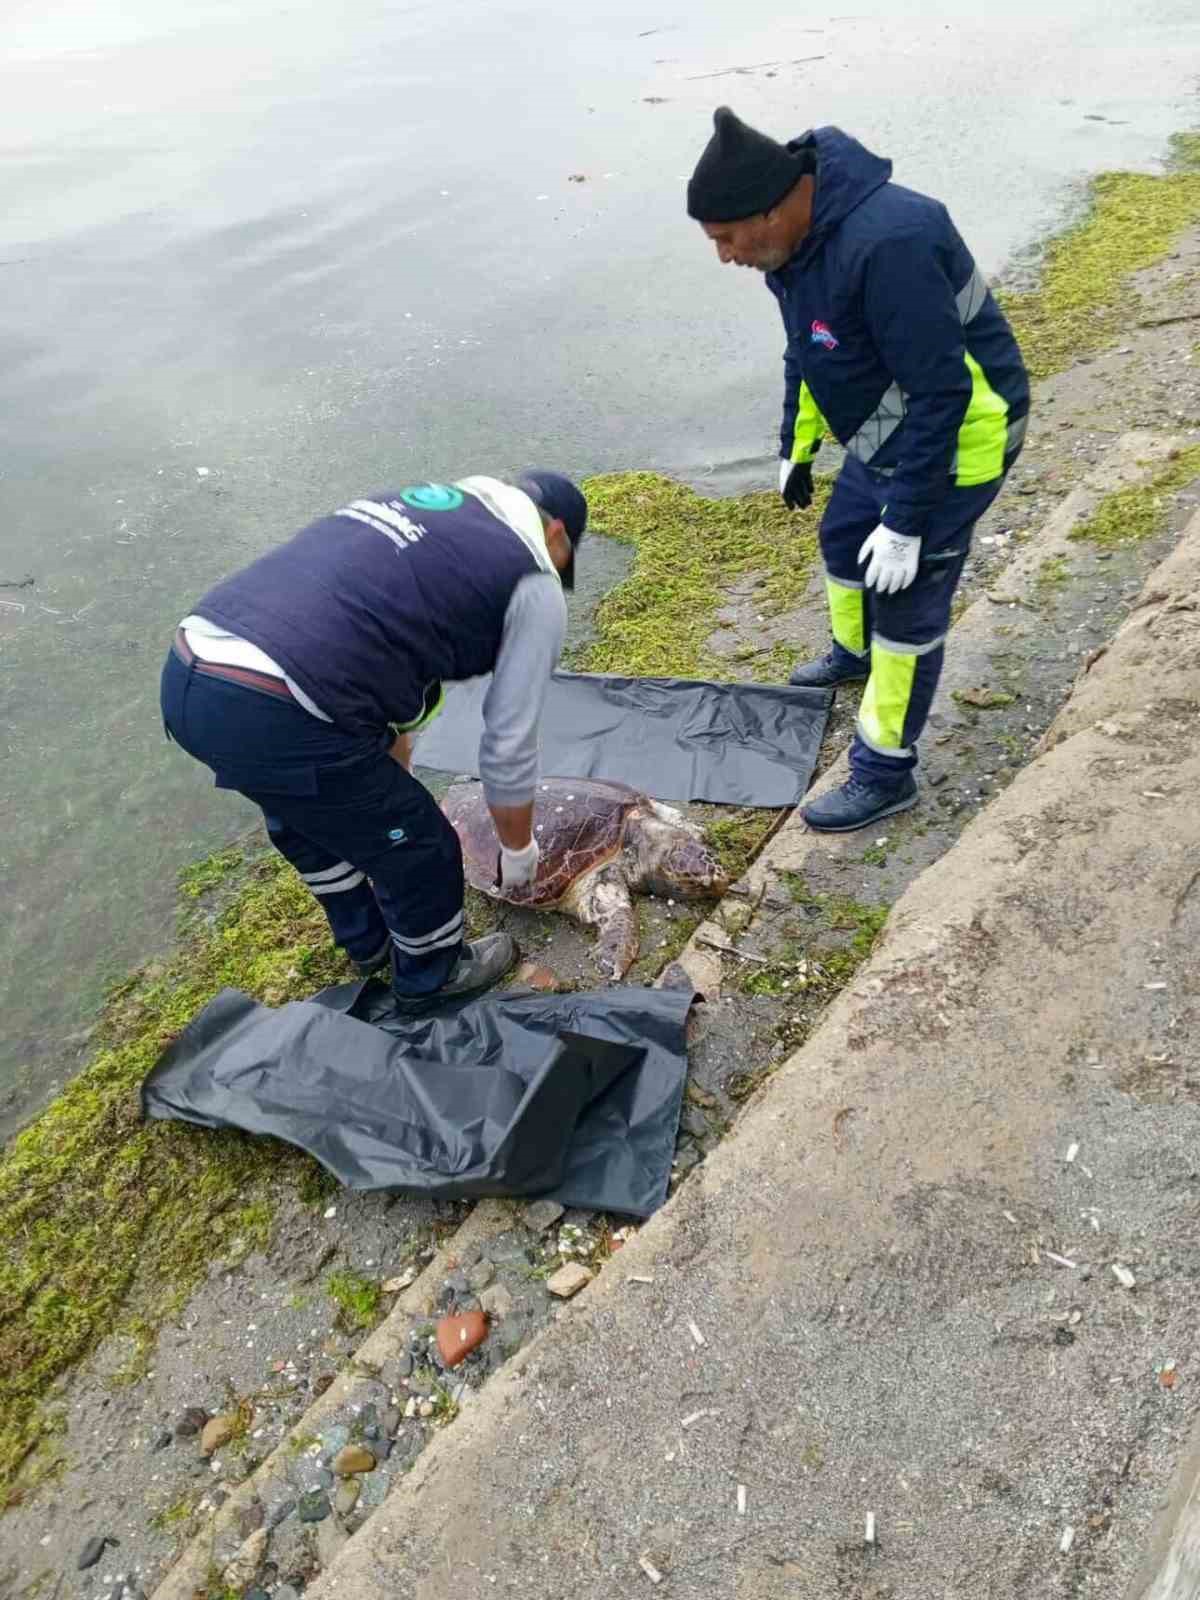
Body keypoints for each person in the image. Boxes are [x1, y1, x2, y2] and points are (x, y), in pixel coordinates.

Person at [688, 108, 1029, 831]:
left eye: (725, 239)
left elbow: (945, 393)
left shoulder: (891, 242)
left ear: (772, 210)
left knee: (906, 607)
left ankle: (884, 771)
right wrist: (795, 446)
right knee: (844, 540)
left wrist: (908, 524)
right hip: (890, 432)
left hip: (963, 435)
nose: (724, 257)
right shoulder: (795, 251)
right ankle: (851, 651)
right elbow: (810, 350)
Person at [160, 470, 586, 1011]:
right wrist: (518, 849)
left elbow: (391, 714)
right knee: (420, 845)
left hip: (190, 671)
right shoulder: (533, 583)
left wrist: (383, 799)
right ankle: (432, 974)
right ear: (556, 535)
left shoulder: (428, 519)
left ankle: (367, 943)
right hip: (275, 701)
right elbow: (510, 743)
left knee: (311, 816)